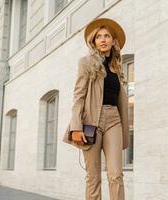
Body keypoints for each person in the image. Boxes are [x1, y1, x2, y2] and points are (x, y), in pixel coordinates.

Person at [63, 17, 130, 200]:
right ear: (94, 41)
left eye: (107, 36)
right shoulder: (86, 63)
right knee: (93, 177)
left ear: (113, 41)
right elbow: (79, 96)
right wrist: (76, 126)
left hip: (113, 120)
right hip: (90, 122)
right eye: (99, 36)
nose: (103, 39)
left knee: (116, 174)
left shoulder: (117, 67)